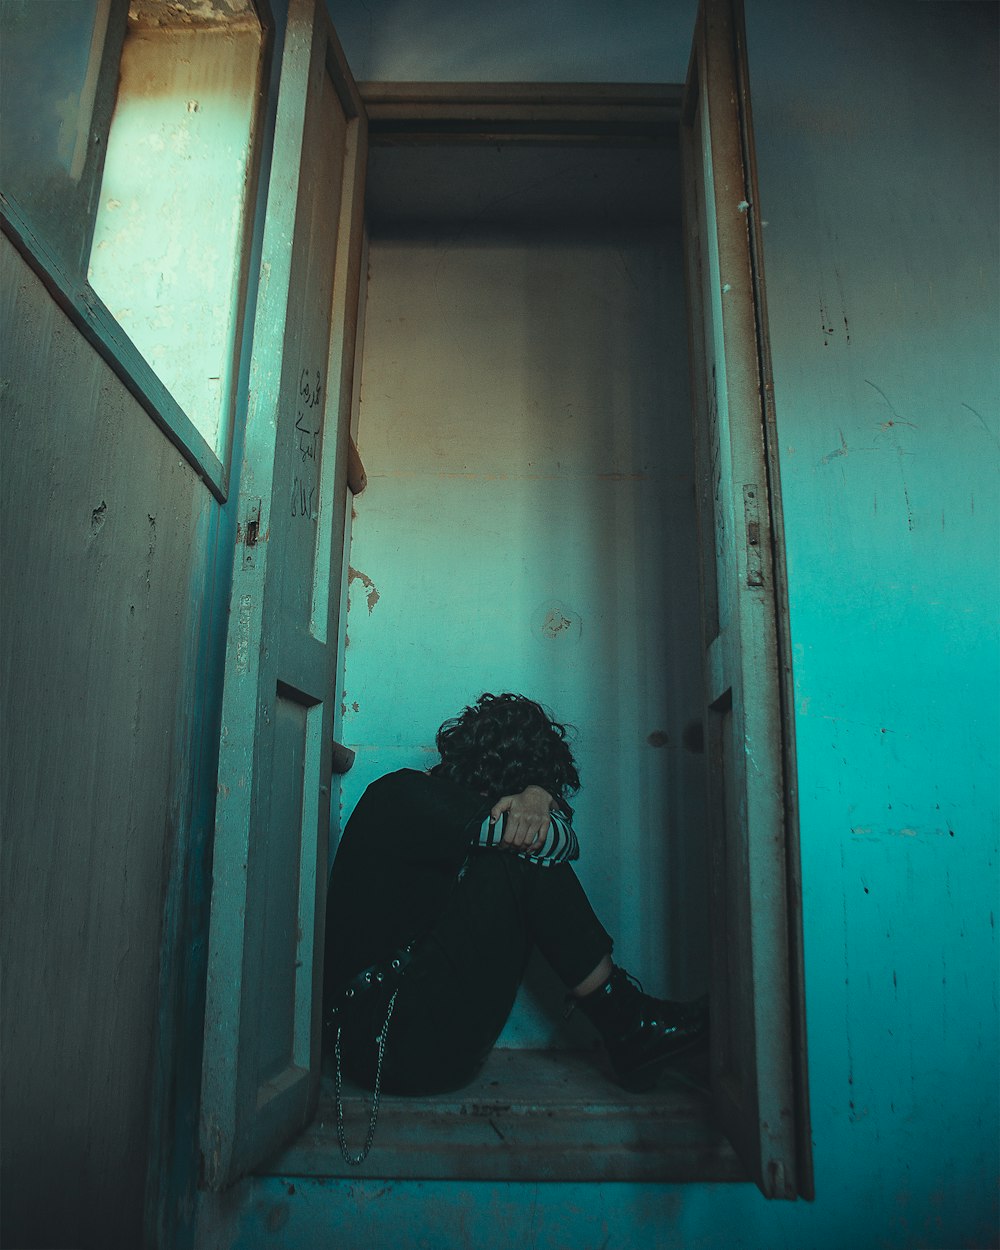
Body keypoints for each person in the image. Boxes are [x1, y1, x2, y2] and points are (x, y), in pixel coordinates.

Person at [323, 692, 707, 1156]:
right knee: (519, 860)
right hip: (375, 1047)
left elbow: (560, 842)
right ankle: (629, 1023)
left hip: (441, 1052)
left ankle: (629, 1023)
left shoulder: (469, 826)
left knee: (520, 858)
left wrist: (538, 796)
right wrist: (537, 798)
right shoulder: (402, 794)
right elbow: (539, 842)